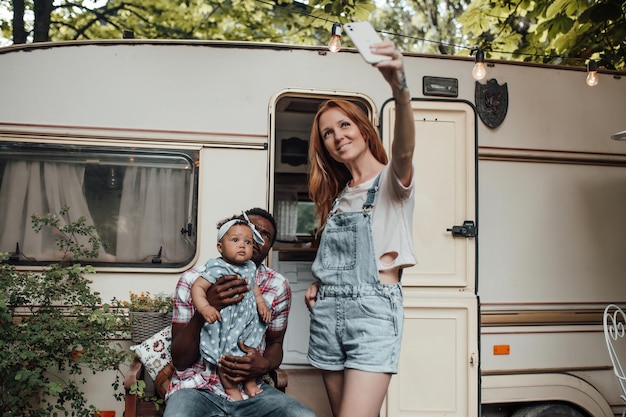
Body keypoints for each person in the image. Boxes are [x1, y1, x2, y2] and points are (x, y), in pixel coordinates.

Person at [304, 38, 416, 417]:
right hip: (327, 315)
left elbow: (403, 150)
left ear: (365, 129)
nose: (338, 137)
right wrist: (320, 283)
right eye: (327, 134)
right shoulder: (337, 197)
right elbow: (335, 258)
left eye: (344, 125)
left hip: (372, 312)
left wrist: (399, 90)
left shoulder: (390, 183)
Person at [165, 207, 315, 417]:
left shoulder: (278, 285)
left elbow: (276, 344)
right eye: (250, 230)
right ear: (225, 240)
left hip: (250, 390)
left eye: (264, 235)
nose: (253, 239)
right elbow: (179, 360)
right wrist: (207, 308)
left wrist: (263, 364)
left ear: (269, 246)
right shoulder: (193, 279)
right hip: (196, 387)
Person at [191, 214, 272, 400]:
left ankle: (250, 382)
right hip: (226, 322)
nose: (242, 245)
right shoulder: (217, 267)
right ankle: (231, 388)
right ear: (220, 247)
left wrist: (261, 305)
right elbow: (198, 287)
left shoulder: (250, 266)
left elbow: (254, 287)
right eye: (235, 240)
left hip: (247, 321)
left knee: (250, 350)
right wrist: (205, 308)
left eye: (248, 242)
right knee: (227, 357)